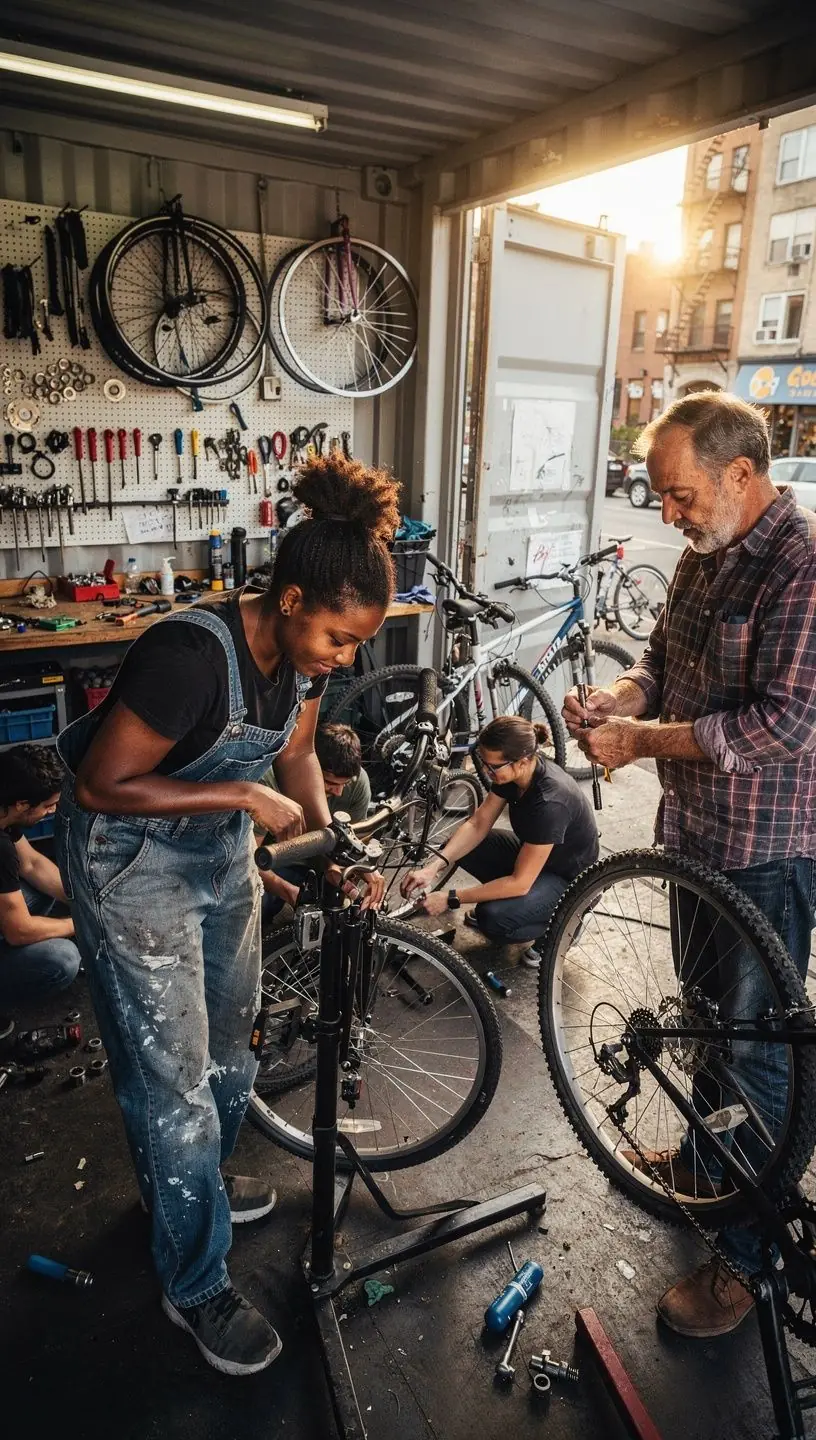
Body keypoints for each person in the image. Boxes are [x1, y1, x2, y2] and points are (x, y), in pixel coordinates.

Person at [54, 454, 396, 1377]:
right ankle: (194, 1281)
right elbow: (102, 784)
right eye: (338, 637)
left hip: (217, 856)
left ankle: (190, 1184)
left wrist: (330, 843)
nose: (344, 657)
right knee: (170, 1083)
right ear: (290, 600)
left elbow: (297, 758)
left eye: (356, 645)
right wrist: (241, 795)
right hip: (132, 863)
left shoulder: (302, 663)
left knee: (233, 1051)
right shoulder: (189, 657)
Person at [563, 392, 816, 1340]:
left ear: (739, 475)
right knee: (707, 1020)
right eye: (662, 496)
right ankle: (710, 1170)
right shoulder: (704, 556)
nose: (666, 513)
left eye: (679, 495)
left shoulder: (802, 567)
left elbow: (783, 724)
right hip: (696, 839)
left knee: (757, 1056)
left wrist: (641, 741)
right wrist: (619, 700)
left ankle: (747, 1262)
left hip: (766, 852)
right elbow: (662, 661)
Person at [401, 715, 598, 960]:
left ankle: (564, 924)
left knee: (493, 918)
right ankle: (518, 906)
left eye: (492, 767)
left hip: (569, 879)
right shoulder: (514, 773)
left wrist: (451, 898)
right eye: (484, 763)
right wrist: (433, 867)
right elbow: (477, 823)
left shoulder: (550, 802)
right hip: (536, 858)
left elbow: (520, 882)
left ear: (522, 761)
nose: (486, 771)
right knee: (459, 847)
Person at [0, 744, 80, 1030]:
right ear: (23, 804)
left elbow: (32, 864)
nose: (53, 810)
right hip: (15, 930)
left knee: (39, 890)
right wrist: (82, 924)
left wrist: (84, 901)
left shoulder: (4, 810)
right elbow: (19, 931)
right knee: (63, 959)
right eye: (48, 805)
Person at [260, 723, 371, 920]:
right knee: (260, 907)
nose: (339, 792)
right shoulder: (269, 781)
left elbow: (354, 844)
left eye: (345, 784)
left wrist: (339, 871)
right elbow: (251, 861)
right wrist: (290, 893)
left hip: (323, 862)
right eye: (330, 783)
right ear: (309, 769)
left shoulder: (358, 782)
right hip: (277, 864)